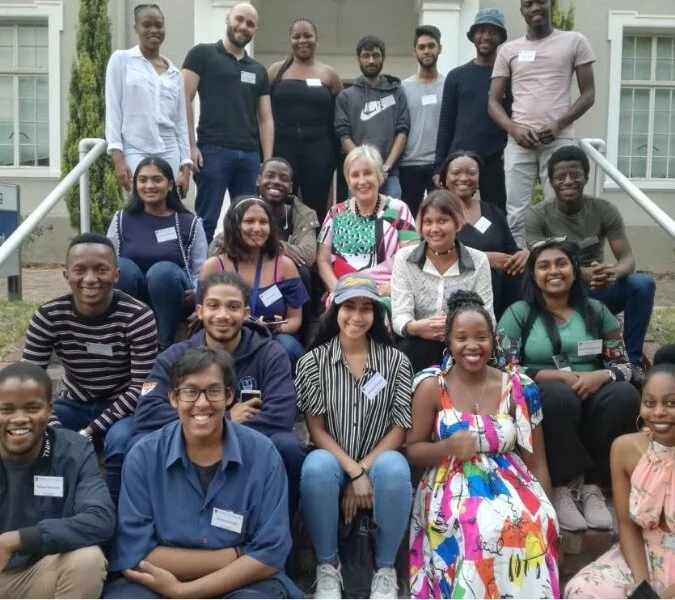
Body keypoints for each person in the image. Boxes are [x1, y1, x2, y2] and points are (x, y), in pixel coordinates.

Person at [103, 347, 302, 599]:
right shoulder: (144, 456)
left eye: (213, 391)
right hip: (158, 582)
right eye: (190, 392)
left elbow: (270, 554)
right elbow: (136, 551)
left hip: (243, 584)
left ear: (230, 396)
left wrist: (184, 592)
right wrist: (237, 555)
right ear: (173, 398)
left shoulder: (263, 455)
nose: (202, 403)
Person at [408, 290, 559, 599]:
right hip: (450, 481)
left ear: (493, 340)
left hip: (511, 481)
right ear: (448, 341)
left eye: (481, 337)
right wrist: (446, 448)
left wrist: (548, 508)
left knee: (538, 523)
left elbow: (537, 461)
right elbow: (412, 449)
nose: (472, 346)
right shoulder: (433, 387)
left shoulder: (518, 387)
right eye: (461, 337)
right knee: (481, 528)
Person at [132, 271, 305, 523]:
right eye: (213, 305)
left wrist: (217, 430)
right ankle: (141, 533)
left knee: (288, 447)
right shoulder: (175, 356)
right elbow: (147, 413)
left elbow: (280, 417)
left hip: (250, 449)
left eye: (233, 307)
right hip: (187, 446)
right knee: (136, 442)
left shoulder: (271, 354)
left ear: (246, 314)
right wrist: (225, 419)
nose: (222, 315)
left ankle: (280, 535)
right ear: (200, 311)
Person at [496, 238, 640, 532]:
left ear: (574, 270)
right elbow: (501, 366)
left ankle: (592, 486)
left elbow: (625, 365)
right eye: (544, 266)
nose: (554, 271)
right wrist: (555, 375)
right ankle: (561, 486)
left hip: (594, 391)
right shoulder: (519, 314)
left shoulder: (597, 311)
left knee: (624, 395)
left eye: (561, 264)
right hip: (547, 396)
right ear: (533, 275)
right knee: (558, 397)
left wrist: (601, 376)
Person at [296, 273, 413, 599]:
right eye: (349, 307)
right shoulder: (312, 363)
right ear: (335, 310)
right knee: (316, 466)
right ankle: (328, 567)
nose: (357, 317)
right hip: (333, 459)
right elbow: (316, 430)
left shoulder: (396, 362)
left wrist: (364, 469)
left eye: (366, 308)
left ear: (376, 314)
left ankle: (385, 570)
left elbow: (400, 427)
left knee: (394, 467)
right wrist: (353, 471)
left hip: (378, 457)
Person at [22, 233, 157, 506]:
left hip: (123, 407)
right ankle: (50, 511)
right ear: (66, 274)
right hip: (73, 404)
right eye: (80, 270)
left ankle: (110, 517)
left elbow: (140, 387)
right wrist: (57, 429)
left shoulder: (138, 316)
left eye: (101, 269)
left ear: (116, 274)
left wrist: (88, 433)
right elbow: (29, 382)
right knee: (34, 432)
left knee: (121, 445)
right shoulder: (48, 316)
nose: (90, 279)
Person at [526, 145, 656, 383]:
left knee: (642, 284)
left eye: (575, 174)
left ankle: (632, 361)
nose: (568, 181)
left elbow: (627, 258)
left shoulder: (604, 210)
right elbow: (539, 259)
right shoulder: (537, 215)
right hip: (559, 293)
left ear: (586, 177)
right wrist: (579, 273)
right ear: (551, 181)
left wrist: (613, 273)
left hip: (598, 287)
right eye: (561, 176)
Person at [565, 345, 675, 599]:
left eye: (671, 403)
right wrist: (642, 587)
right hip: (642, 556)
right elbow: (626, 525)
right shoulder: (625, 449)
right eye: (649, 403)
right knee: (583, 590)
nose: (658, 412)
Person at [0, 362, 114, 599]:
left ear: (49, 411)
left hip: (37, 575)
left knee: (87, 560)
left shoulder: (74, 450)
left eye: (32, 408)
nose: (19, 419)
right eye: (6, 410)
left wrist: (17, 540)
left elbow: (100, 519)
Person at [488, 0, 596, 248]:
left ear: (551, 5)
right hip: (519, 141)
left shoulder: (575, 41)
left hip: (559, 139)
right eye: (528, 4)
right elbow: (493, 102)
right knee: (516, 211)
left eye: (540, 2)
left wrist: (559, 124)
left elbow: (588, 94)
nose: (534, 7)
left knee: (561, 207)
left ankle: (561, 262)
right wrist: (514, 128)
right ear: (522, 11)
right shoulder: (508, 50)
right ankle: (521, 269)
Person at [182, 1, 274, 243]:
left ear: (256, 30)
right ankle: (198, 276)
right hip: (212, 151)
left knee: (248, 221)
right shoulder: (201, 54)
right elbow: (183, 100)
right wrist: (190, 147)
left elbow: (266, 118)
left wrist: (267, 161)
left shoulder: (258, 70)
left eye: (250, 24)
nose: (243, 26)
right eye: (239, 19)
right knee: (206, 220)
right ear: (228, 19)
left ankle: (242, 274)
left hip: (250, 156)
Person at [107, 157, 207, 350]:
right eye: (142, 180)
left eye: (157, 179)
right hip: (134, 295)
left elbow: (200, 268)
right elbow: (107, 260)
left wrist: (198, 297)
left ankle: (164, 345)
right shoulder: (121, 219)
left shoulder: (189, 221)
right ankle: (123, 339)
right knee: (121, 267)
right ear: (135, 185)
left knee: (162, 272)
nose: (149, 185)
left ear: (170, 185)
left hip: (173, 295)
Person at [391, 190, 494, 373]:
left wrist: (458, 328)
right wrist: (417, 327)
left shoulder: (478, 260)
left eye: (442, 220)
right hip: (418, 343)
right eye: (428, 222)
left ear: (457, 222)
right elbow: (400, 316)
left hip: (464, 345)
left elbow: (488, 318)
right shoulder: (404, 258)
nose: (434, 229)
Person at [200, 196, 309, 366]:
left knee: (287, 346)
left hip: (273, 339)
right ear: (235, 225)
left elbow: (295, 319)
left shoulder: (285, 266)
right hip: (226, 335)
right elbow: (205, 315)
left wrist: (275, 327)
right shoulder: (213, 266)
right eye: (249, 221)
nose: (257, 228)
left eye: (263, 222)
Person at [317, 145, 418, 311]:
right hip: (344, 290)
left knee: (377, 313)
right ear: (348, 181)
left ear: (380, 175)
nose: (362, 181)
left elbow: (413, 260)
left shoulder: (398, 209)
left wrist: (389, 288)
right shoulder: (336, 213)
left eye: (368, 173)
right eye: (355, 175)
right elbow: (322, 260)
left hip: (385, 292)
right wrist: (336, 289)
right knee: (339, 314)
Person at [105, 3, 192, 195]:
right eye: (147, 25)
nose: (154, 30)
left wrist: (186, 166)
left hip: (170, 148)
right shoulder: (122, 61)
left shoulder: (174, 73)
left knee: (168, 203)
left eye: (159, 25)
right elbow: (113, 110)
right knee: (142, 200)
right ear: (136, 28)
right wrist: (117, 157)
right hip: (136, 146)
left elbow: (180, 122)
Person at [210, 157, 320, 307]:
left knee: (303, 272)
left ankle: (300, 329)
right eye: (270, 176)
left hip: (282, 279)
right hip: (246, 271)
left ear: (290, 186)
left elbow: (307, 255)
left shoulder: (304, 214)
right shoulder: (243, 208)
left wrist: (263, 243)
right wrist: (275, 246)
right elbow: (215, 249)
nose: (276, 181)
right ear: (258, 180)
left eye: (283, 178)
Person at [434, 8, 510, 213]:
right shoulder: (457, 76)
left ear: (500, 37)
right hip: (460, 161)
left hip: (495, 161)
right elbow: (446, 123)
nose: (486, 36)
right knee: (455, 214)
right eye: (481, 31)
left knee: (496, 213)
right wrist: (439, 166)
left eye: (492, 31)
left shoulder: (507, 77)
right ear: (474, 36)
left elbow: (513, 117)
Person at [268, 18, 342, 223]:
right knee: (279, 200)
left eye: (307, 35)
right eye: (297, 36)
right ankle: (278, 250)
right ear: (290, 40)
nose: (303, 40)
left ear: (316, 39)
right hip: (283, 145)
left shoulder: (329, 75)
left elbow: (339, 116)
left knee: (315, 204)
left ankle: (315, 251)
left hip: (319, 147)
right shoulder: (275, 71)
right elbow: (262, 112)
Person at [440, 151, 528, 320]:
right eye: (456, 172)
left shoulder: (493, 211)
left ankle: (509, 342)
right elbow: (431, 255)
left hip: (503, 295)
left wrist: (524, 254)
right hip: (461, 296)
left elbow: (511, 250)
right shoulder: (437, 213)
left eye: (471, 172)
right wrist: (484, 258)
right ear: (445, 179)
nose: (464, 178)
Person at [334, 36, 410, 199]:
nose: (371, 60)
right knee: (359, 221)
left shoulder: (397, 93)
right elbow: (343, 136)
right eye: (366, 55)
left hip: (390, 176)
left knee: (392, 220)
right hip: (359, 175)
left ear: (383, 58)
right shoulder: (346, 97)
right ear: (358, 59)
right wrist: (367, 166)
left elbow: (402, 133)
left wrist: (385, 168)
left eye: (375, 55)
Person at [399, 25, 445, 217]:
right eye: (422, 47)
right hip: (409, 164)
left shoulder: (449, 85)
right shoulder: (403, 87)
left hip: (439, 164)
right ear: (414, 52)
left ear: (439, 49)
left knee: (441, 216)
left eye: (431, 46)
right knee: (409, 219)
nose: (426, 51)